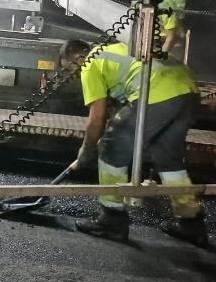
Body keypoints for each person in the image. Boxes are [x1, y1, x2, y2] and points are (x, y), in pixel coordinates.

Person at [59, 38, 208, 246]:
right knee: (167, 158)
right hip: (187, 90)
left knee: (111, 148)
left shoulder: (90, 62)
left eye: (72, 69)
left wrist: (87, 150)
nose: (75, 75)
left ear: (77, 58)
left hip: (156, 92)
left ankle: (112, 220)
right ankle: (191, 221)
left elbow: (96, 120)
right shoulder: (115, 48)